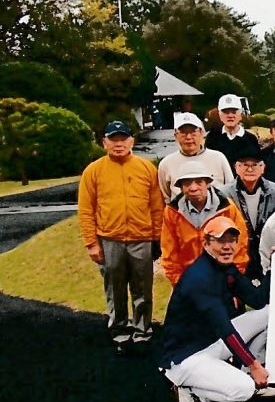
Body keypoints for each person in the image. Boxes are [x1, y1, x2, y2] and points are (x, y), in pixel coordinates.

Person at [159, 216, 275, 402]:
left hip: (211, 341)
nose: (227, 246)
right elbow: (225, 328)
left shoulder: (225, 267)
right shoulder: (200, 278)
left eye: (231, 240)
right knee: (244, 391)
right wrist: (254, 365)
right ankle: (187, 387)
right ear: (205, 244)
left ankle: (243, 372)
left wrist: (272, 268)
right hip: (186, 357)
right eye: (220, 241)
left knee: (269, 313)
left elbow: (257, 300)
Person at [78, 120, 164, 354]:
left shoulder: (147, 169)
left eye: (123, 139)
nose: (118, 144)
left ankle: (142, 331)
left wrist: (157, 239)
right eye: (113, 139)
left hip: (141, 238)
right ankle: (120, 331)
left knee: (143, 290)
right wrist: (91, 243)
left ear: (131, 141)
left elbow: (157, 207)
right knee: (115, 290)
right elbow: (86, 211)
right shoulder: (93, 171)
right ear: (104, 142)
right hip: (110, 240)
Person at [160, 161, 250, 286]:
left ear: (208, 183)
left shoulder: (227, 208)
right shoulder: (172, 212)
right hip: (188, 282)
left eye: (199, 182)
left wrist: (231, 282)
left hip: (222, 281)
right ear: (180, 187)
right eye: (187, 183)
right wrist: (179, 284)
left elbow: (240, 247)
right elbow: (169, 253)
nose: (193, 188)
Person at [220, 149, 275, 281]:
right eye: (244, 165)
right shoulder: (223, 194)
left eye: (254, 165)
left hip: (267, 251)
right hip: (237, 252)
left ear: (262, 167)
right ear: (236, 167)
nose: (249, 169)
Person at [157, 112, 234, 202]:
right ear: (176, 136)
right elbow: (165, 198)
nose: (188, 137)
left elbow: (231, 190)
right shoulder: (166, 164)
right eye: (183, 133)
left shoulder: (218, 158)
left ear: (201, 133)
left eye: (193, 132)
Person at [205, 94, 260, 172]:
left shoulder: (251, 139)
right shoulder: (212, 137)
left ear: (241, 115)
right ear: (220, 115)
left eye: (234, 112)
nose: (230, 116)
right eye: (226, 112)